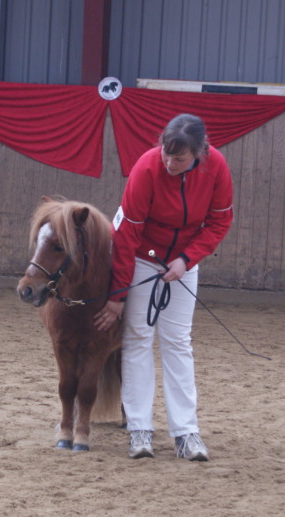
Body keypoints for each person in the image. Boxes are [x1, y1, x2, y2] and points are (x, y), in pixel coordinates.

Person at [93, 113, 233, 461]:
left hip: (184, 263)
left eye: (180, 158)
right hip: (142, 258)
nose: (170, 163)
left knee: (178, 343)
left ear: (199, 153)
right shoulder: (146, 168)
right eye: (166, 154)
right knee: (138, 337)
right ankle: (139, 429)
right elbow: (125, 238)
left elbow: (219, 221)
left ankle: (186, 432)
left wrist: (187, 259)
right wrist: (118, 296)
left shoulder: (217, 168)